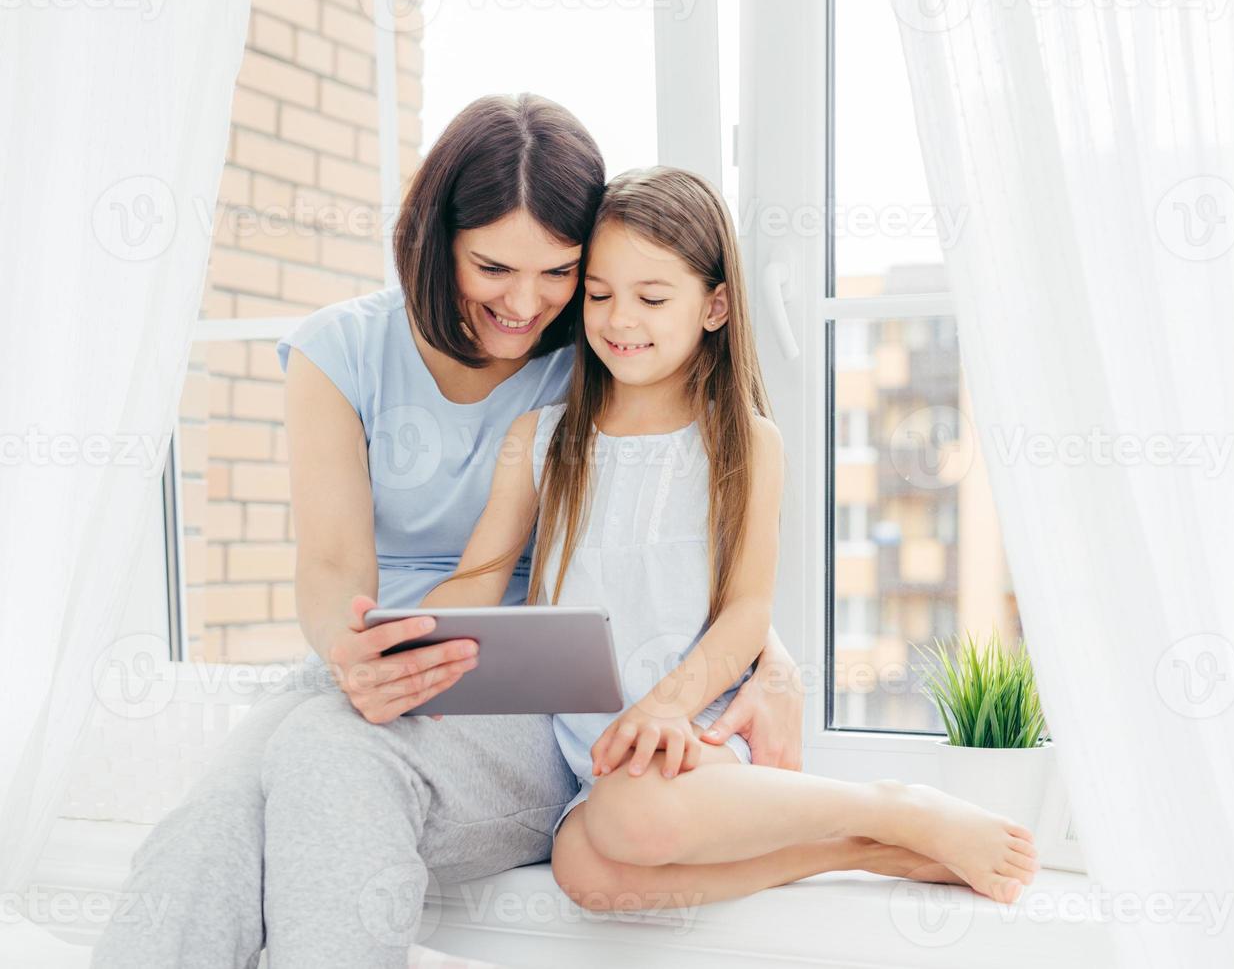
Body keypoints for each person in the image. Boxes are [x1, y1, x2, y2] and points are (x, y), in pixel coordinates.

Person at [91, 95, 805, 969]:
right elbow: (328, 566)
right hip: (384, 651)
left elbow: (676, 529)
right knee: (211, 825)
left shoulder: (599, 348)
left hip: (538, 693)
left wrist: (770, 659)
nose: (526, 302)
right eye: (494, 266)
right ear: (437, 244)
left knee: (328, 758)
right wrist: (354, 653)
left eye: (559, 273)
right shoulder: (341, 351)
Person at [421, 166, 1040, 911]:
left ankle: (890, 803)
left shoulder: (745, 442)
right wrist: (407, 639)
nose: (621, 320)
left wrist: (670, 709)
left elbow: (747, 612)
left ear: (714, 305)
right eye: (600, 294)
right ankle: (865, 852)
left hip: (697, 728)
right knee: (585, 873)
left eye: (652, 298)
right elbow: (478, 578)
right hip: (597, 751)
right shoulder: (542, 439)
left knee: (632, 816)